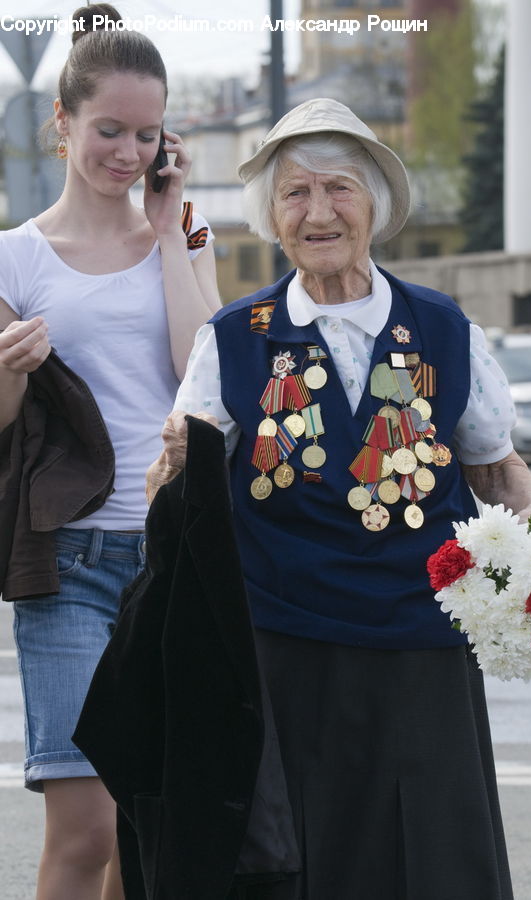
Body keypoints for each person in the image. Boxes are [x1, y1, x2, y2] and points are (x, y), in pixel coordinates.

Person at [156, 98, 531, 900]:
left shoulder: (440, 329)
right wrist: (172, 470)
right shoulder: (237, 336)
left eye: (339, 188)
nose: (318, 211)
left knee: (429, 864)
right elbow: (178, 479)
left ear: (375, 206)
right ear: (271, 215)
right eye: (294, 193)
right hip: (281, 650)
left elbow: (496, 470)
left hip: (421, 646)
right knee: (298, 863)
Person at [0, 4, 219, 898]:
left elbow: (201, 374)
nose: (126, 152)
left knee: (151, 822)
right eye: (107, 130)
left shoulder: (187, 234)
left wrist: (168, 233)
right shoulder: (14, 259)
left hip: (173, 550)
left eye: (145, 133)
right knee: (86, 828)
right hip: (73, 560)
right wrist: (9, 372)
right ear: (62, 125)